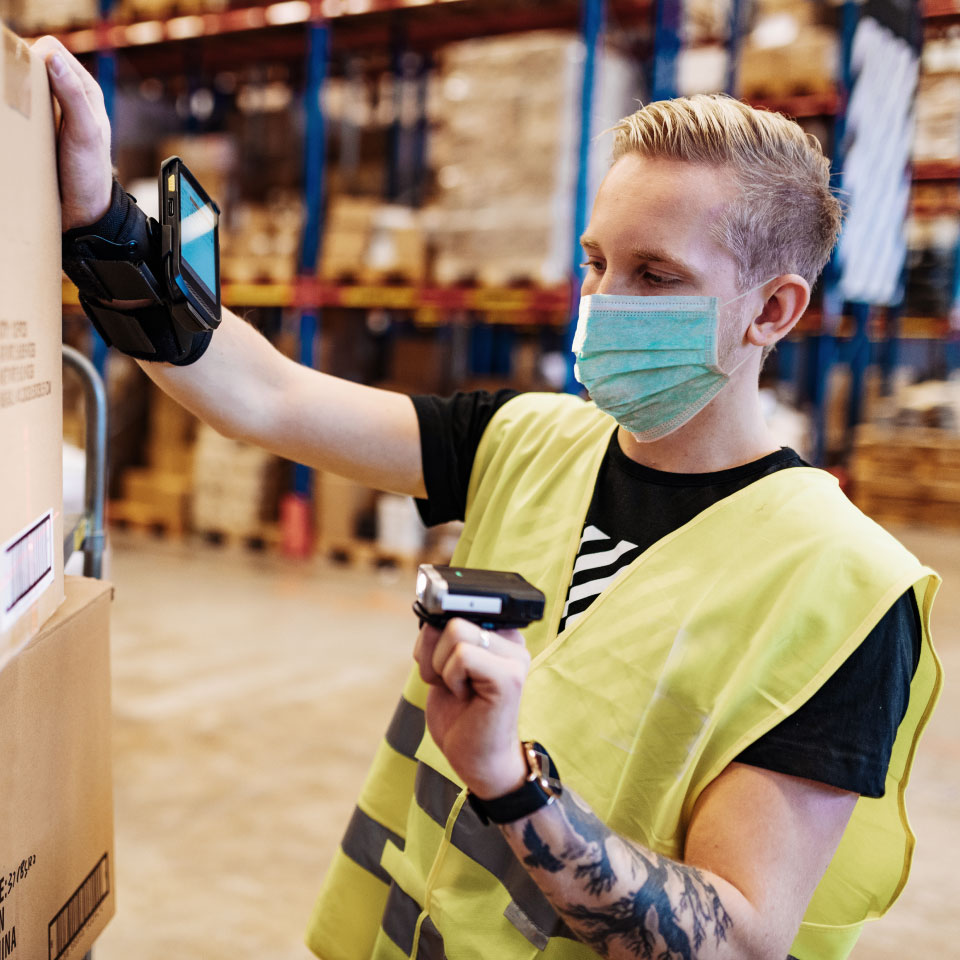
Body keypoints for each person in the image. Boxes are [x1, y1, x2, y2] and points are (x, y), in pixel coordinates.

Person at [35, 34, 941, 960]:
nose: (603, 303)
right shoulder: (524, 438)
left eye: (655, 276)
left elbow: (742, 940)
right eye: (596, 263)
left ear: (774, 310)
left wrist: (513, 784)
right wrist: (103, 219)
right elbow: (264, 396)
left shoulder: (846, 589)